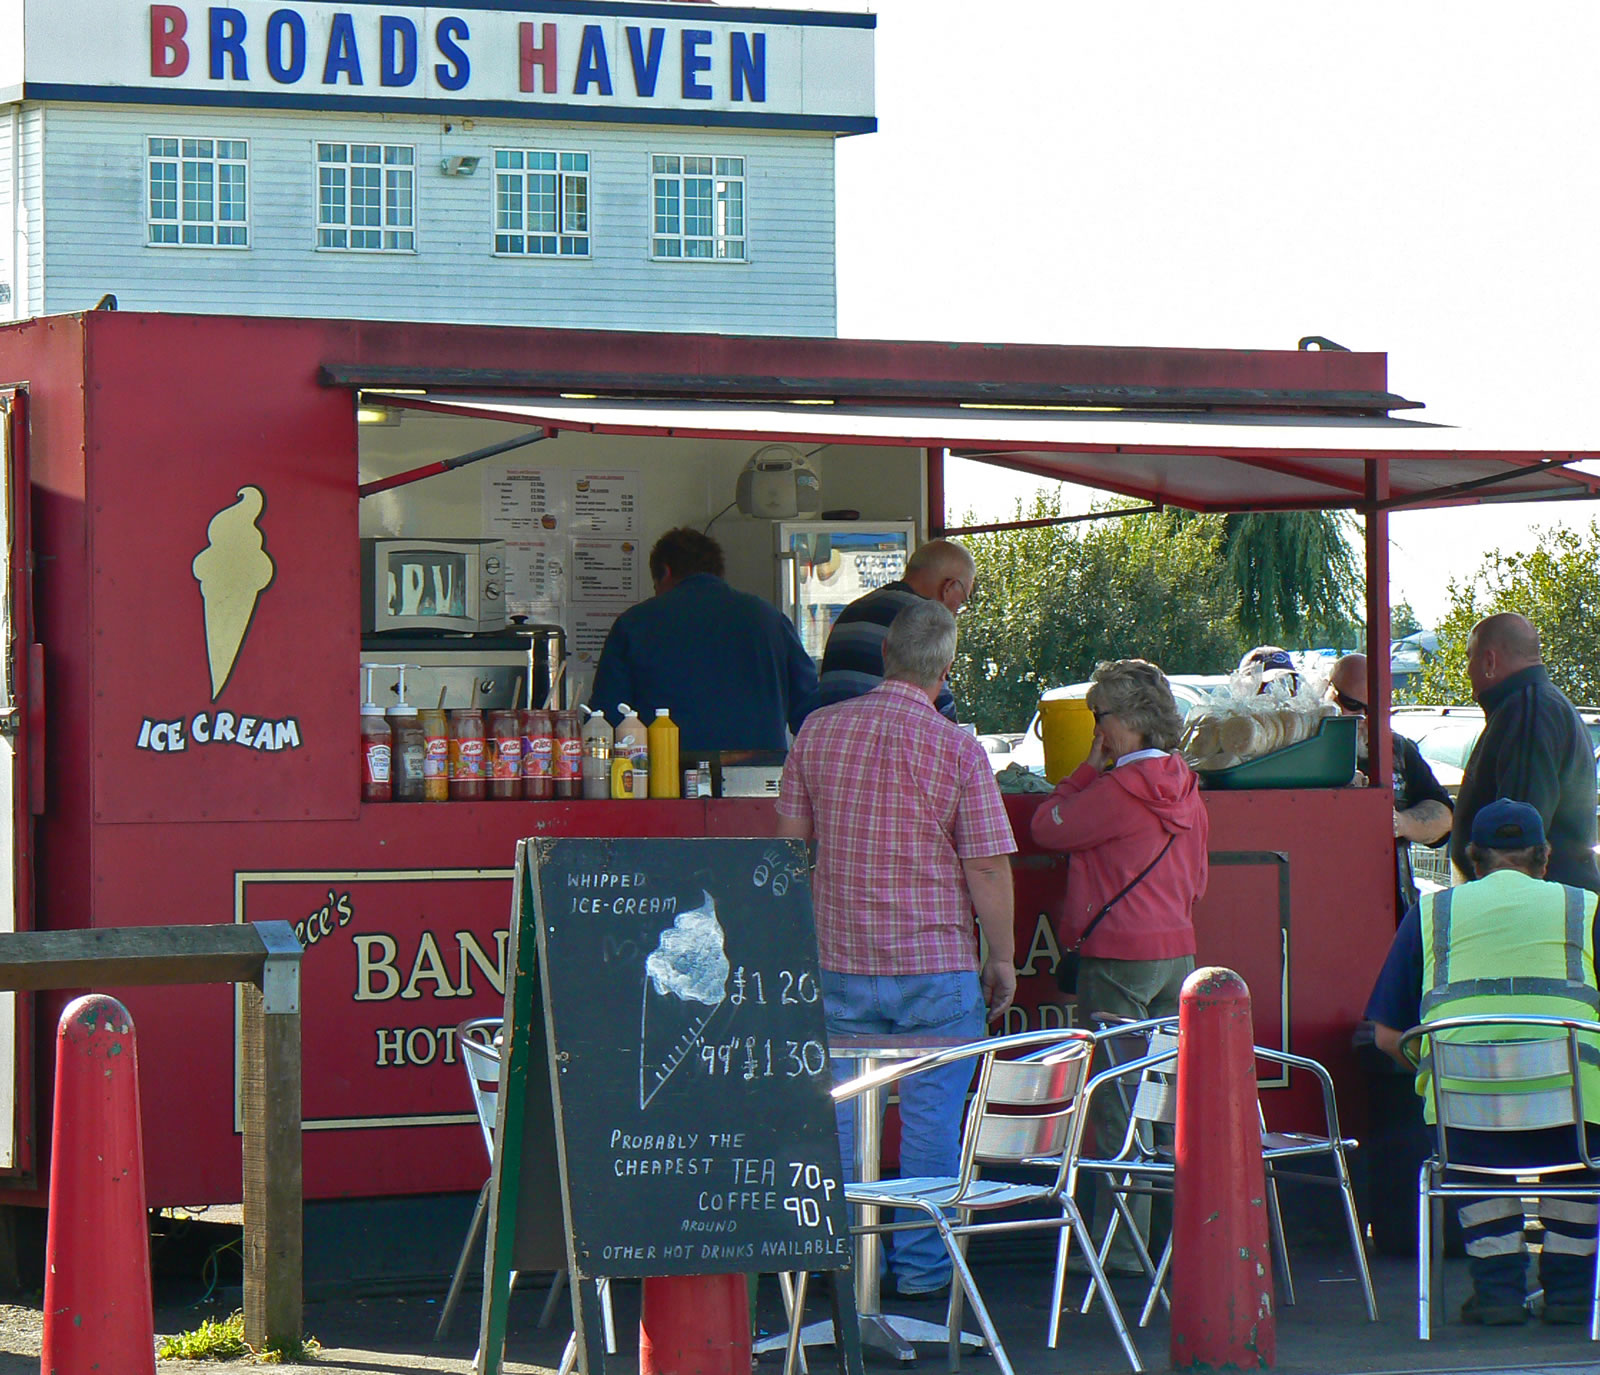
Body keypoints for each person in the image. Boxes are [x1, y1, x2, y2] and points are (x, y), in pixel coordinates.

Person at [776, 599, 1016, 1299]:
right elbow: (988, 867)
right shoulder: (959, 748)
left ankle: (847, 1273)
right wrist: (1000, 957)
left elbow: (791, 851)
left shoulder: (817, 732)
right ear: (944, 671)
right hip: (935, 968)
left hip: (839, 961)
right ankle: (921, 1275)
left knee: (842, 1126)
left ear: (885, 656)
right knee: (932, 1128)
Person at [1366, 799, 1600, 1325]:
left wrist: (1442, 1071)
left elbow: (1385, 1036)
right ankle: (1569, 1294)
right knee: (1581, 1156)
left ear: (1472, 859)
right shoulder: (1585, 908)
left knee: (1475, 1150)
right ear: (1544, 859)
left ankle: (1496, 1294)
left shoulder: (1431, 913)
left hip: (1467, 1120)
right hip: (1576, 1116)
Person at [1029, 659, 1209, 1272]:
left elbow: (1044, 828)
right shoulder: (1185, 785)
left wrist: (1083, 768)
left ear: (1122, 722)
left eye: (1096, 716)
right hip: (1176, 954)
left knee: (1118, 1100)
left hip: (1117, 957)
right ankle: (1165, 1237)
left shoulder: (1112, 791)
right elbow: (1199, 880)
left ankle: (1124, 1248)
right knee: (1163, 1102)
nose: (1094, 727)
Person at [589, 527, 818, 753]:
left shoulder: (634, 623)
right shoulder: (769, 618)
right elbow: (810, 712)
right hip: (761, 776)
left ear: (665, 572)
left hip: (667, 778)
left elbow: (607, 719)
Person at [1450, 613, 1600, 893]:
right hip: (1551, 905)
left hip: (1537, 914)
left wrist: (1496, 911)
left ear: (1489, 662)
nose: (1468, 669)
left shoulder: (1528, 713)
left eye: (1470, 657)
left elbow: (1514, 844)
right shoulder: (1533, 705)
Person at [1328, 653, 1453, 920]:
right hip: (1324, 903)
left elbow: (1444, 816)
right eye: (1352, 704)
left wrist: (1400, 823)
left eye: (1374, 710)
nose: (1362, 719)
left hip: (1388, 911)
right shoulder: (1304, 749)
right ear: (1329, 694)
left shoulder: (1398, 750)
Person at [813, 537, 975, 722]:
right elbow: (943, 712)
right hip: (884, 741)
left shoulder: (852, 610)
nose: (956, 612)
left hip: (831, 735)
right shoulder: (922, 621)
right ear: (949, 587)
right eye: (961, 602)